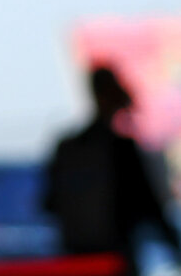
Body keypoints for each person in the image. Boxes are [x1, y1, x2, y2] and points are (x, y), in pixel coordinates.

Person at [43, 66, 181, 272]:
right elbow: (149, 204)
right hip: (115, 258)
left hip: (78, 258)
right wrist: (174, 245)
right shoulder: (119, 149)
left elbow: (48, 203)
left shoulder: (68, 149)